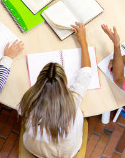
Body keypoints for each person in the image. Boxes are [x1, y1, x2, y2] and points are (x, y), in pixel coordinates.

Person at [19, 22, 91, 157]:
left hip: (35, 149)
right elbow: (86, 72)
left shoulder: (28, 101)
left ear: (39, 81)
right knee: (81, 115)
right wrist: (83, 41)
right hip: (67, 153)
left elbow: (24, 114)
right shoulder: (73, 100)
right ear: (64, 83)